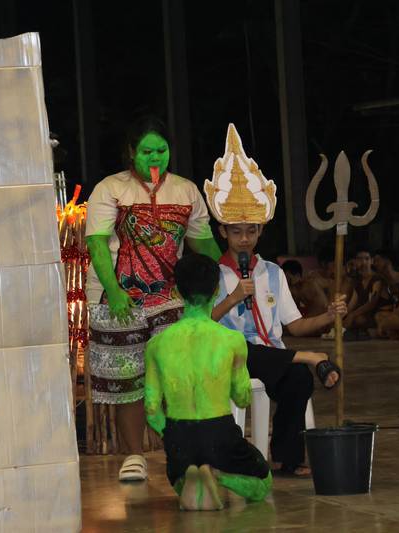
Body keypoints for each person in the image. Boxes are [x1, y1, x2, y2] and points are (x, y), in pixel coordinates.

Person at [205, 124, 345, 478]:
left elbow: (294, 325)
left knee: (298, 380)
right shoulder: (212, 275)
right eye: (236, 231)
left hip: (274, 357)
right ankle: (309, 357)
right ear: (222, 231)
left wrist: (328, 315)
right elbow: (203, 324)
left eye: (251, 231)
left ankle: (285, 457)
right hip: (232, 357)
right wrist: (233, 298)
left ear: (260, 231)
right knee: (245, 349)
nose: (244, 238)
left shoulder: (272, 272)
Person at [85, 116, 221, 482]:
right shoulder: (110, 188)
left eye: (161, 150)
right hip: (118, 300)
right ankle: (134, 455)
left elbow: (203, 244)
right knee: (128, 380)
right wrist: (115, 292)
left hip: (170, 298)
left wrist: (225, 267)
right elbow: (97, 243)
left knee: (178, 376)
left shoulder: (186, 190)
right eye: (147, 151)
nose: (155, 157)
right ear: (131, 152)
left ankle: (183, 450)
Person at [145, 254, 272, 510]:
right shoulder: (232, 340)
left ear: (177, 292)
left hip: (179, 435)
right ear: (216, 290)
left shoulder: (156, 344)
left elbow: (151, 408)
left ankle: (188, 478)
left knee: (179, 476)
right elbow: (242, 397)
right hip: (220, 433)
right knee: (262, 483)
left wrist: (169, 434)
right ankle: (217, 475)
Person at [341, 248, 382, 339]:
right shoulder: (358, 281)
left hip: (375, 315)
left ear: (372, 261)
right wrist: (342, 315)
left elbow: (372, 303)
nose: (363, 262)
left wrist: (353, 314)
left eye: (367, 259)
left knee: (357, 319)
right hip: (361, 314)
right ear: (355, 261)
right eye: (360, 259)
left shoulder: (377, 279)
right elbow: (352, 303)